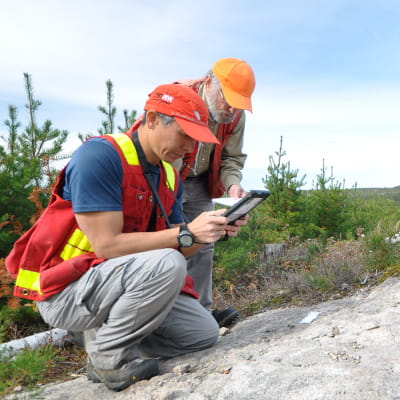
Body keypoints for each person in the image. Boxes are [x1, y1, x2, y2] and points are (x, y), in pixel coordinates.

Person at [5, 83, 247, 392]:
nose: (190, 148)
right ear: (152, 120)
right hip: (65, 290)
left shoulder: (169, 176)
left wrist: (207, 234)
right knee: (168, 263)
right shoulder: (100, 156)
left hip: (114, 283)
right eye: (184, 135)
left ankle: (110, 334)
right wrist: (186, 232)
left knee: (203, 333)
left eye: (196, 140)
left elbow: (179, 246)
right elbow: (107, 245)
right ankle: (106, 357)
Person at [172, 58, 256, 324]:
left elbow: (232, 159)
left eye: (239, 102)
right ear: (208, 83)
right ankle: (166, 320)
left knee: (203, 244)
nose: (231, 108)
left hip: (200, 183)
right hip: (166, 180)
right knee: (168, 243)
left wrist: (232, 186)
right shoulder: (179, 100)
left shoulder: (235, 116)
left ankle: (200, 315)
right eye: (226, 98)